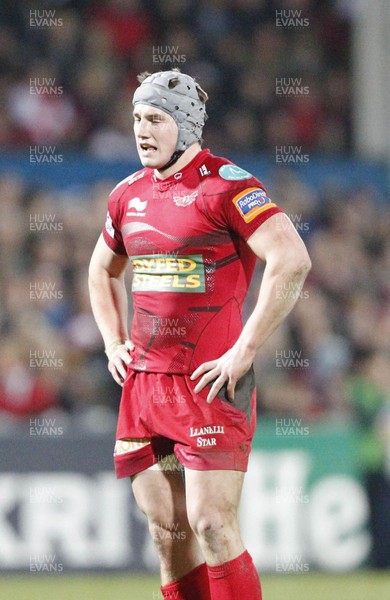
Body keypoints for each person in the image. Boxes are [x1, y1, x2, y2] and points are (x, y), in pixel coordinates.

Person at [88, 69, 311, 600]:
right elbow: (101, 270)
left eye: (156, 119)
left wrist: (246, 349)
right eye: (137, 118)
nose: (142, 130)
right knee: (169, 534)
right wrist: (112, 342)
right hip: (144, 389)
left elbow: (292, 260)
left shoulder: (228, 186)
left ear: (186, 125)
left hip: (210, 386)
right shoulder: (128, 194)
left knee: (211, 523)